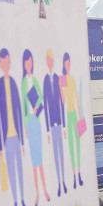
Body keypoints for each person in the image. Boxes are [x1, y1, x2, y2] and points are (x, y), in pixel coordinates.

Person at [0, 48, 27, 206]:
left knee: (20, 170)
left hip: (16, 136)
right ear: (0, 63)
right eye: (3, 61)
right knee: (12, 172)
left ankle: (22, 199)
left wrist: (21, 140)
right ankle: (15, 202)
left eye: (8, 61)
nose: (6, 64)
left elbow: (19, 111)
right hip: (6, 138)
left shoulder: (13, 83)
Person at [21, 49, 50, 206]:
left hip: (37, 121)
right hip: (30, 123)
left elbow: (40, 99)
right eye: (26, 62)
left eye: (30, 61)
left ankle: (45, 190)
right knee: (34, 160)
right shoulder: (24, 82)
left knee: (40, 159)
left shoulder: (35, 80)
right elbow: (23, 106)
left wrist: (36, 108)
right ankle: (38, 192)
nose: (28, 64)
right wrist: (25, 125)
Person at [43, 50, 67, 197]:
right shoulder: (45, 79)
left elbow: (62, 102)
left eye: (52, 60)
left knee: (62, 154)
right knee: (54, 156)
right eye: (49, 60)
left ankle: (63, 182)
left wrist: (64, 125)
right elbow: (45, 103)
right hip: (51, 124)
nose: (50, 62)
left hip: (60, 122)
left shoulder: (59, 78)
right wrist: (46, 129)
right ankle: (58, 183)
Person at [61, 53, 83, 189]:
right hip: (67, 116)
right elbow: (62, 100)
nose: (68, 65)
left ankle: (79, 174)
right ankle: (74, 176)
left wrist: (80, 117)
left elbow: (77, 98)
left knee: (78, 146)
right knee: (71, 146)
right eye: (66, 63)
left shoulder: (72, 78)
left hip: (75, 114)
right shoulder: (62, 79)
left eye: (69, 62)